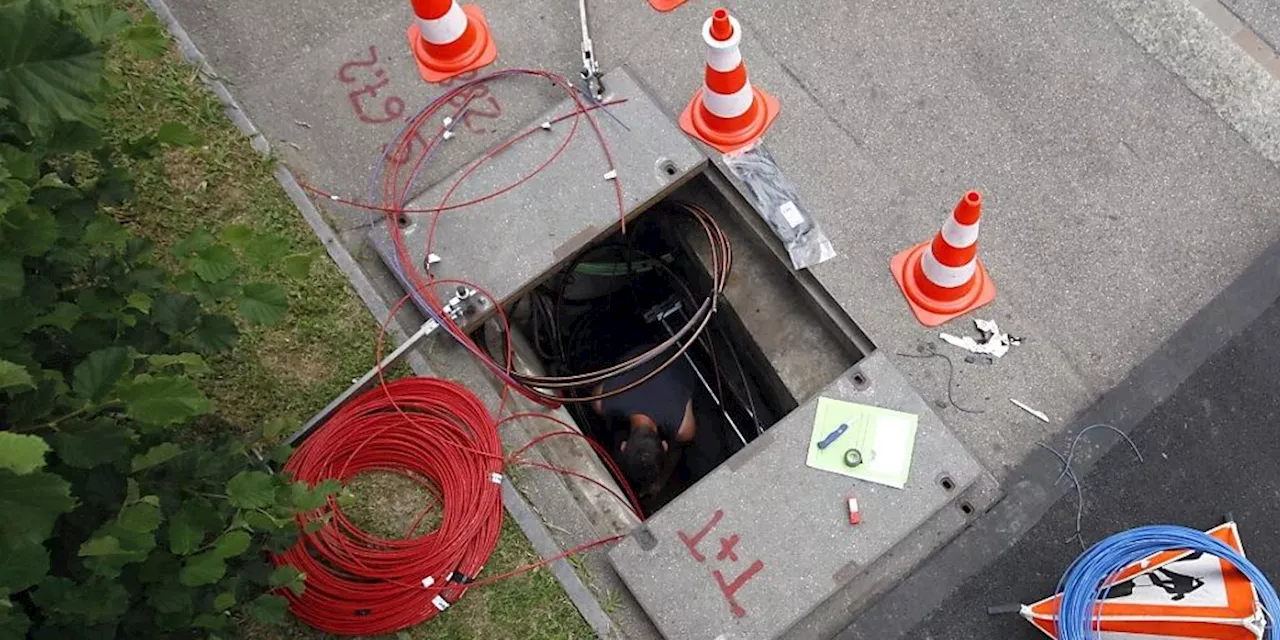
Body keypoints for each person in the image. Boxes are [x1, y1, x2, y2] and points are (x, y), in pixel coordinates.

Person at [594, 344, 697, 496]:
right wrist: (660, 482)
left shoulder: (684, 428)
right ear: (664, 445)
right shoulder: (602, 400)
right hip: (664, 347)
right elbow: (676, 450)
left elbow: (676, 449)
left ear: (623, 446)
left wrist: (659, 482)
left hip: (679, 354)